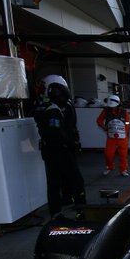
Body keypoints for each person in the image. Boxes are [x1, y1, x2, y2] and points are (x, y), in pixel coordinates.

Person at [33, 74, 86, 217]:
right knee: (76, 181)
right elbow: (59, 132)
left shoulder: (45, 106)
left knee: (55, 183)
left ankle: (56, 213)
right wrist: (72, 144)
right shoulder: (53, 109)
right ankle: (81, 212)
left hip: (51, 150)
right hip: (61, 150)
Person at [96, 94, 130, 176]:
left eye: (114, 106)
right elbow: (99, 120)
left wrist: (125, 130)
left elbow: (127, 122)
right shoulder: (105, 111)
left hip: (122, 137)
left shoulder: (124, 113)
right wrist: (104, 127)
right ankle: (109, 167)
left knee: (123, 154)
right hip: (111, 137)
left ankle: (123, 169)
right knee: (108, 153)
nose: (112, 108)